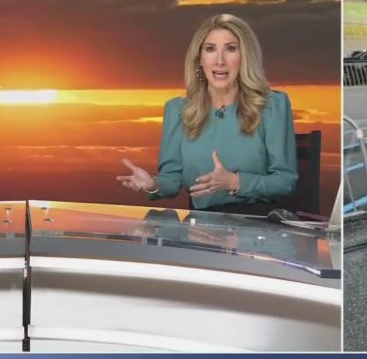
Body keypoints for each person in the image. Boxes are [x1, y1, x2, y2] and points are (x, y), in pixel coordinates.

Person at [118, 14, 297, 216]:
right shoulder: (178, 110)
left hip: (258, 226)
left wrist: (234, 182)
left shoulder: (272, 105)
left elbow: (285, 181)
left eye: (231, 49)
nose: (219, 61)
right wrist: (153, 184)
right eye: (210, 49)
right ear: (200, 59)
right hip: (203, 228)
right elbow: (172, 179)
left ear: (245, 57)